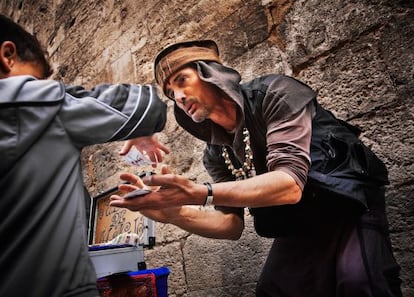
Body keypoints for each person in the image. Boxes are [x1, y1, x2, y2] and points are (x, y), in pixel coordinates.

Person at [110, 40, 403, 297]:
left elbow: (289, 183)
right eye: (171, 92)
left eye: (182, 80)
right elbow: (230, 225)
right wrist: (175, 214)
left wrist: (198, 192)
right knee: (274, 290)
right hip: (299, 223)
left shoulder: (275, 93)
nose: (178, 96)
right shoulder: (216, 153)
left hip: (348, 205)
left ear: (211, 74)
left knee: (359, 283)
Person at [0, 14, 169, 297]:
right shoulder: (43, 104)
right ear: (7, 55)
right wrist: (139, 128)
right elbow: (148, 107)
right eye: (37, 78)